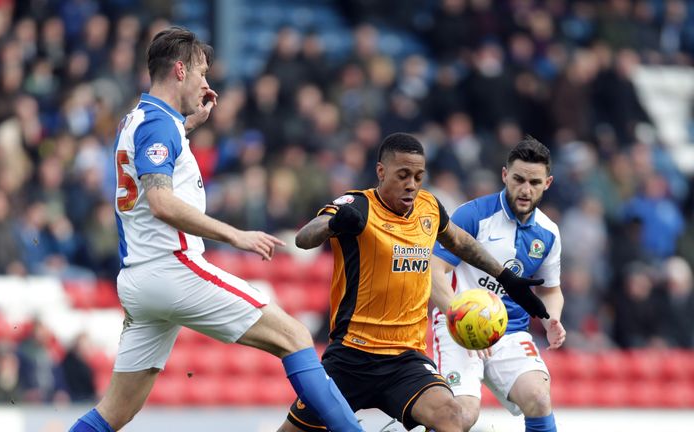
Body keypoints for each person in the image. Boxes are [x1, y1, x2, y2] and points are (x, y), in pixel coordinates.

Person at [69, 26, 363, 432]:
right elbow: (160, 201)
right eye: (201, 72)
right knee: (295, 336)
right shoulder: (158, 126)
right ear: (179, 71)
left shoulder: (139, 119)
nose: (206, 83)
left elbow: (154, 155)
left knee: (115, 412)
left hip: (138, 278)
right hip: (173, 267)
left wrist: (190, 125)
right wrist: (235, 235)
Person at [278, 133, 548, 432]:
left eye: (419, 176)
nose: (412, 184)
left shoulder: (428, 207)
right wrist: (332, 224)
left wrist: (506, 277)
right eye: (403, 175)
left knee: (452, 416)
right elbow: (304, 238)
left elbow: (460, 242)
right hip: (351, 358)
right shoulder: (357, 204)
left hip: (405, 360)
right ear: (381, 172)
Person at [431, 136, 565, 432]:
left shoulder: (548, 233)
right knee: (461, 415)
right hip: (458, 328)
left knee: (539, 397)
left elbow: (552, 289)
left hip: (510, 331)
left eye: (534, 182)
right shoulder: (472, 215)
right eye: (518, 179)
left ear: (548, 183)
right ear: (505, 175)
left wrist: (552, 318)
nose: (525, 189)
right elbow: (433, 271)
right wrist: (459, 318)